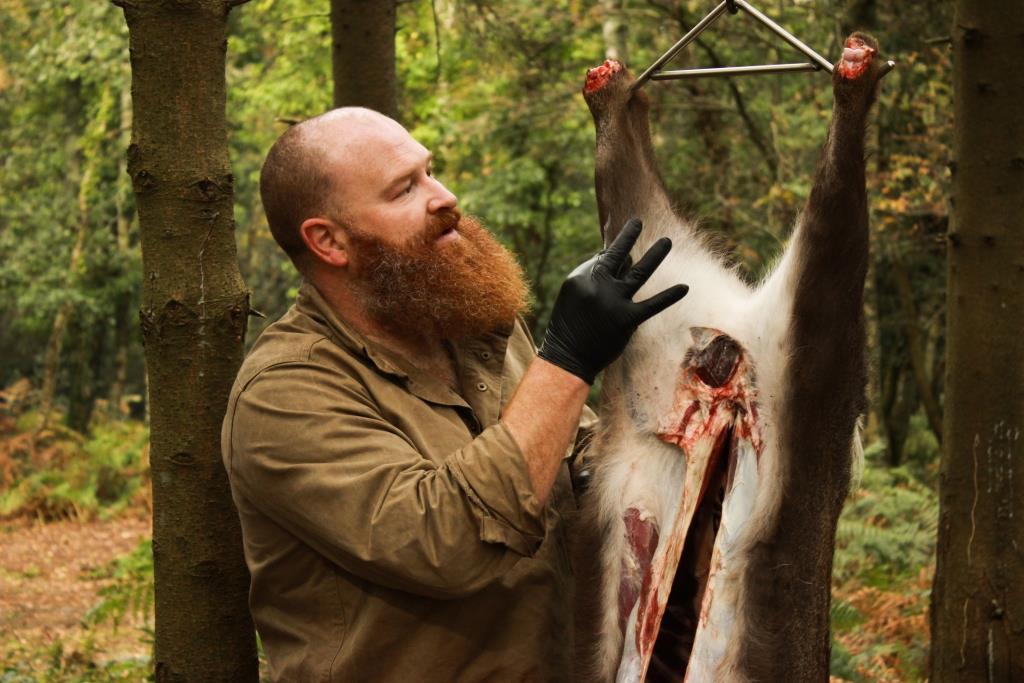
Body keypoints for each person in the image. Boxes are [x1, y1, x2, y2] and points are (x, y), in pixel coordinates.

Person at [221, 107, 687, 682]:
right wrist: (568, 360)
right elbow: (442, 542)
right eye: (404, 189)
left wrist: (670, 425)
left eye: (430, 171)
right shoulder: (285, 393)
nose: (444, 197)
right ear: (329, 241)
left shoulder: (475, 327)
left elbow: (571, 455)